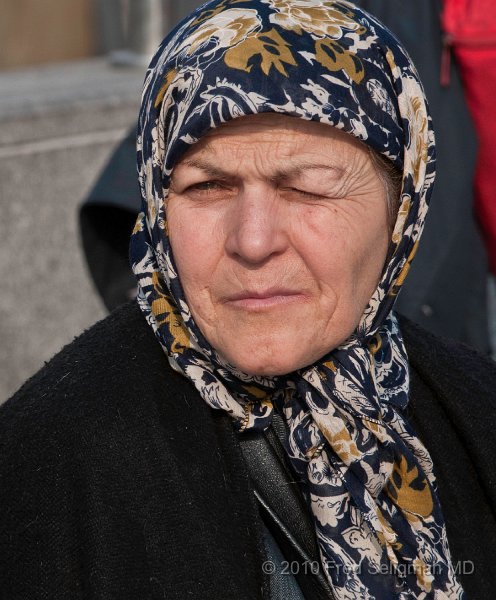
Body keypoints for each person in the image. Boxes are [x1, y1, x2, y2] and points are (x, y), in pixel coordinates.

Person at [2, 1, 496, 598]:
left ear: (401, 211)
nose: (253, 241)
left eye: (306, 187)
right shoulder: (47, 464)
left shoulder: (473, 409)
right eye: (207, 186)